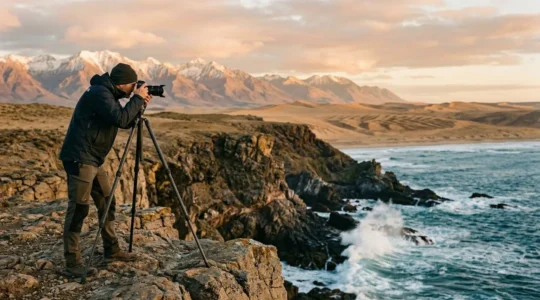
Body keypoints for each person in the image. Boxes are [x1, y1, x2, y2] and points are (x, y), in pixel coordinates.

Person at [58, 63, 152, 277]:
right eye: (132, 85)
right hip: (81, 158)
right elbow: (120, 119)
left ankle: (112, 250)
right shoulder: (100, 93)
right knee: (79, 210)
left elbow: (125, 121)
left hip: (92, 158)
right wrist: (136, 99)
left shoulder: (107, 93)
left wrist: (139, 103)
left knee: (107, 200)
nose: (133, 89)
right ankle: (72, 264)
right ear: (122, 83)